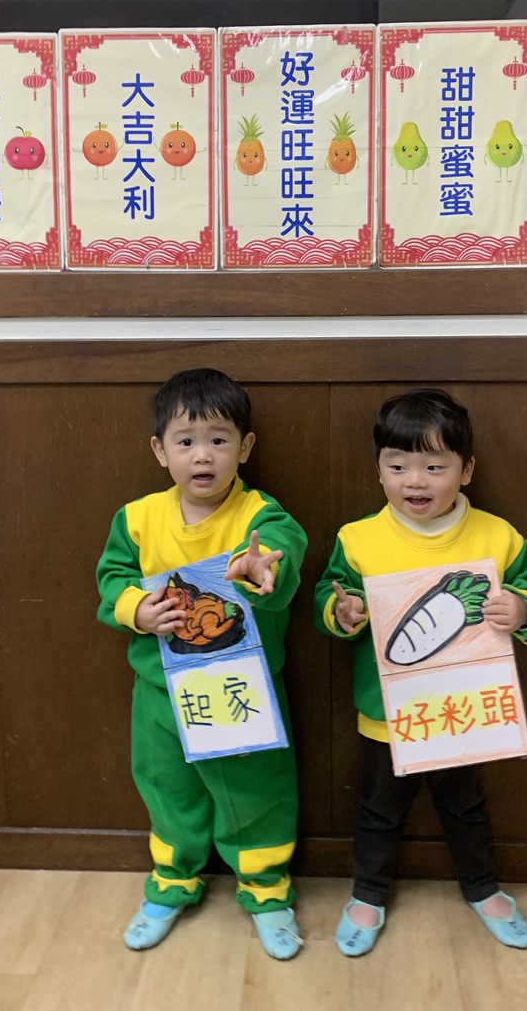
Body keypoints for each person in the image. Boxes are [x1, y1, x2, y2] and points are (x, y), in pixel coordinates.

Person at [314, 387, 527, 957]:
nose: (414, 481)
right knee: (379, 809)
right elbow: (329, 595)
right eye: (397, 466)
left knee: (464, 805)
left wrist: (522, 608)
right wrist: (342, 613)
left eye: (434, 466)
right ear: (378, 469)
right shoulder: (358, 539)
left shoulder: (497, 536)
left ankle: (483, 886)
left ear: (466, 470)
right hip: (388, 714)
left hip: (465, 713)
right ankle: (369, 892)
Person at [96, 367, 307, 960]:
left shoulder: (260, 515)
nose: (203, 455)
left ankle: (267, 890)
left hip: (243, 688)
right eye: (185, 441)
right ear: (160, 451)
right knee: (168, 787)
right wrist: (137, 609)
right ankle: (171, 881)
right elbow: (111, 579)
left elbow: (284, 548)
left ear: (246, 447)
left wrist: (265, 568)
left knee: (256, 791)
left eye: (219, 439)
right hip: (162, 692)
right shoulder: (137, 518)